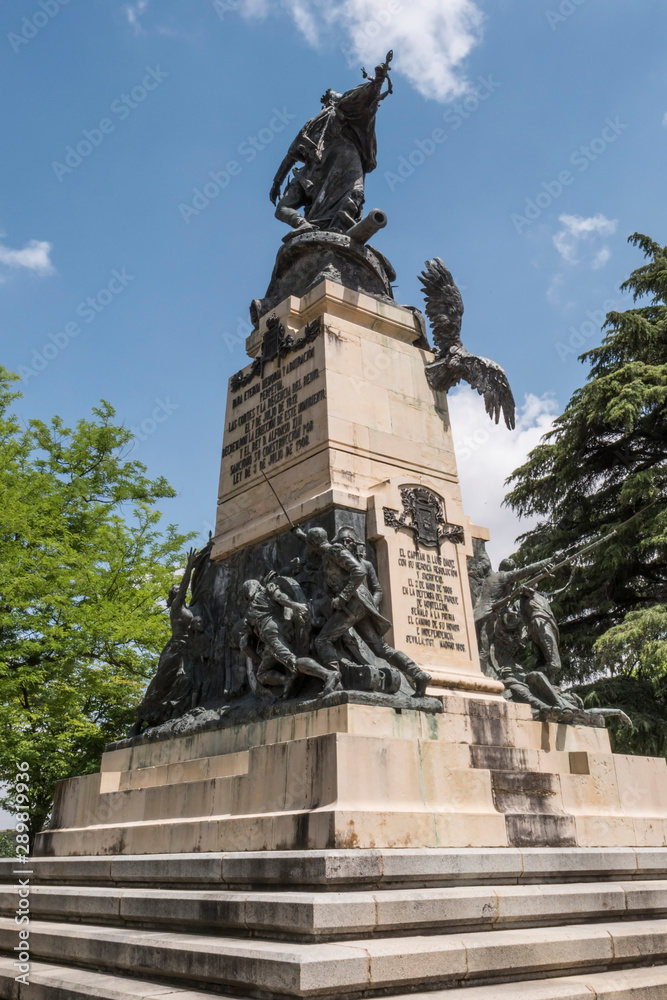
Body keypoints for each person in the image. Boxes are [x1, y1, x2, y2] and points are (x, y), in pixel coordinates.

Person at [294, 526, 431, 698]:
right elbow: (313, 541)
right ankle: (419, 675)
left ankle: (333, 681)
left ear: (314, 544)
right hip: (358, 605)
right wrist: (299, 534)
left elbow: (359, 571)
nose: (309, 548)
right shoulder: (326, 551)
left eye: (310, 543)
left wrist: (343, 597)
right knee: (381, 648)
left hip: (352, 603)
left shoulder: (335, 550)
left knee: (322, 640)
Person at [270, 53, 393, 233]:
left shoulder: (321, 120)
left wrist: (277, 182)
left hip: (329, 166)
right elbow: (363, 99)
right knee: (350, 198)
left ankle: (309, 224)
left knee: (283, 209)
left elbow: (290, 156)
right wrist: (378, 81)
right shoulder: (329, 118)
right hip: (329, 167)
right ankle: (323, 223)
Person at [241, 577, 341, 698]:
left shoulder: (258, 601)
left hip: (272, 634)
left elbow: (279, 597)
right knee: (261, 674)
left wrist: (295, 606)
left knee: (292, 661)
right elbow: (279, 597)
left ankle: (328, 675)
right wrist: (295, 605)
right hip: (278, 635)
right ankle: (286, 681)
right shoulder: (261, 597)